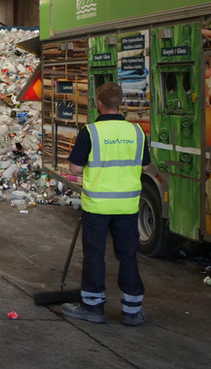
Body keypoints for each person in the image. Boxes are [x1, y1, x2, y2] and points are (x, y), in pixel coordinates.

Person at [63, 82, 157, 326]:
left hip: (97, 206)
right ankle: (132, 310)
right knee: (128, 256)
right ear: (121, 104)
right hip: (127, 206)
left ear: (99, 104)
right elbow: (146, 167)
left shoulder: (90, 132)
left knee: (94, 255)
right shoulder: (136, 132)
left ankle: (93, 307)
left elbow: (74, 167)